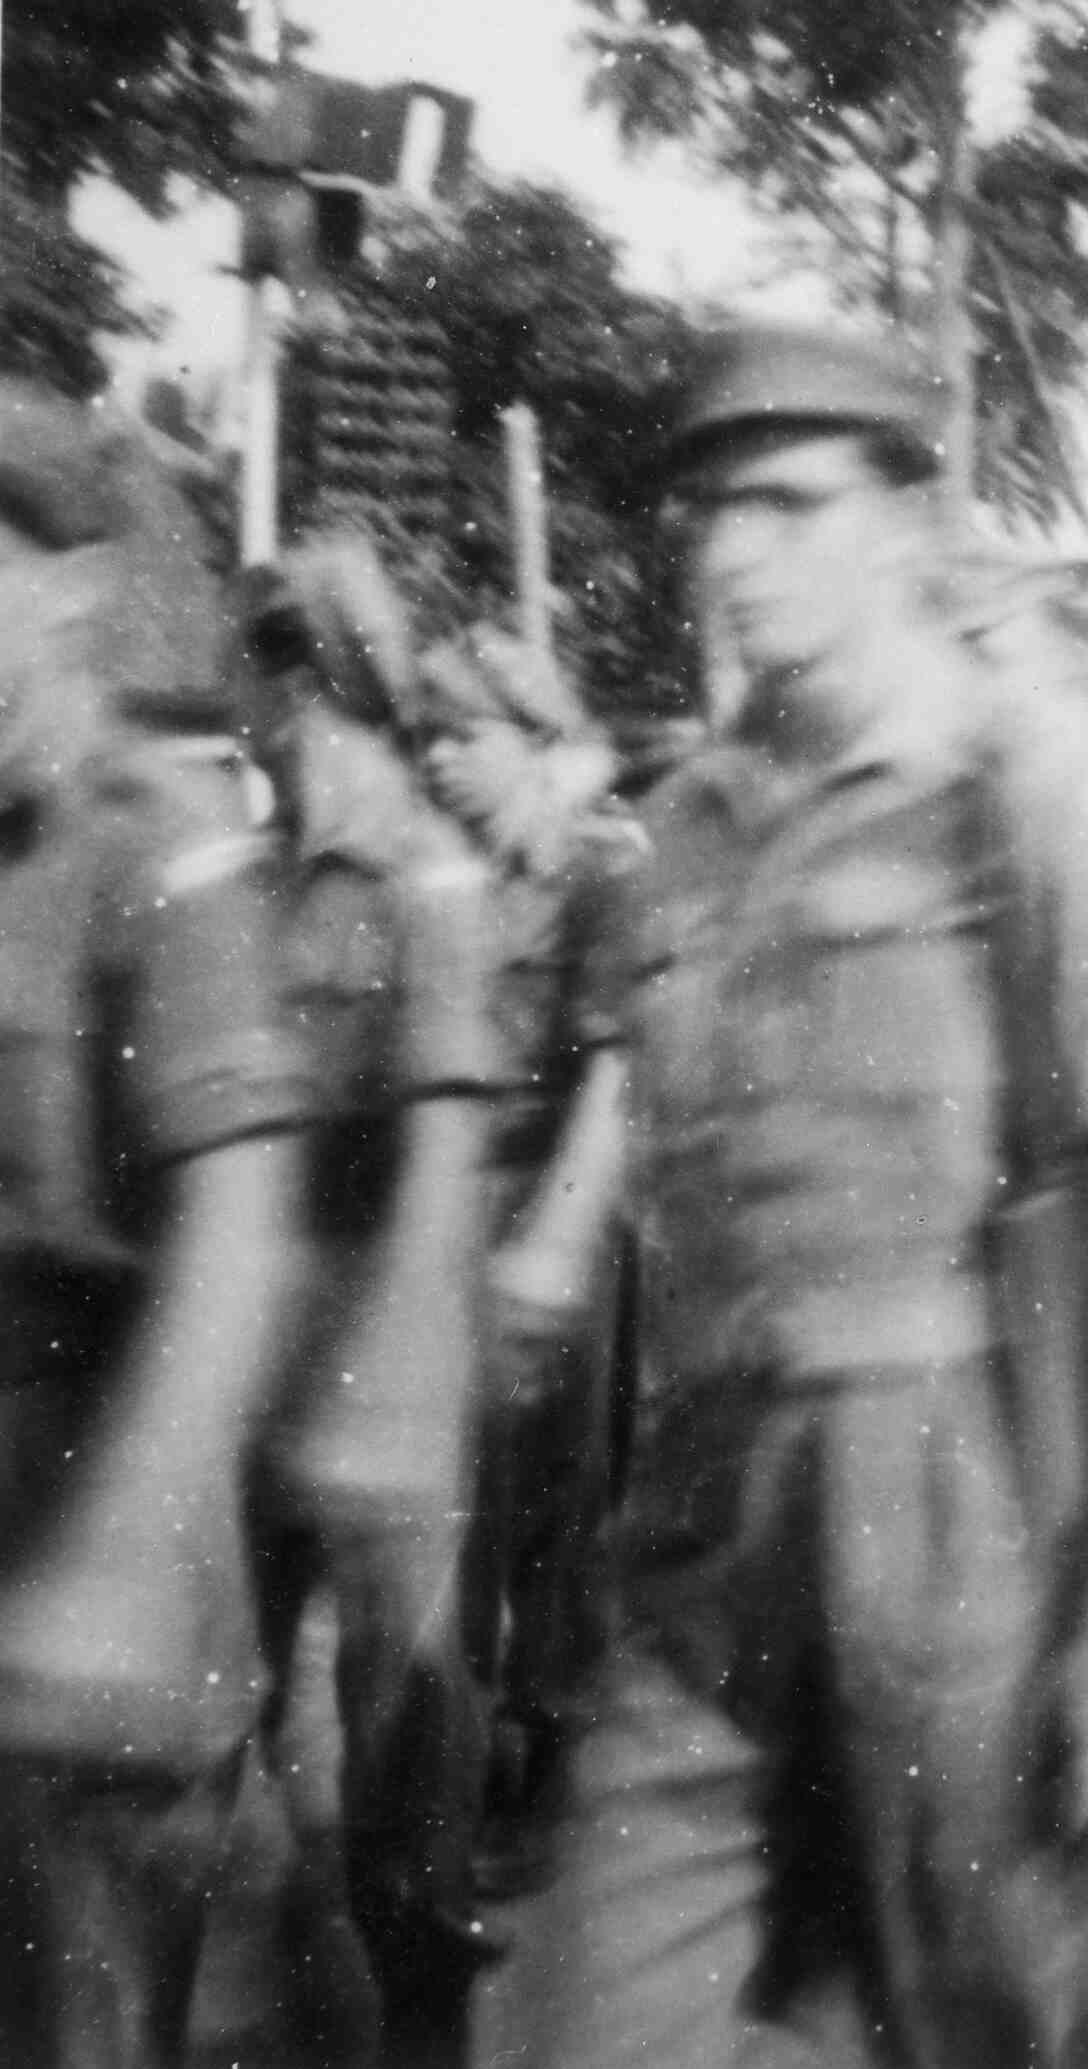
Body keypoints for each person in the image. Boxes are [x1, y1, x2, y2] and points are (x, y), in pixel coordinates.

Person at [529, 321, 1088, 2068]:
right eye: (710, 513)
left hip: (964, 1484)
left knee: (1010, 2013)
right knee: (585, 2006)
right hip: (715, 1481)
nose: (729, 553)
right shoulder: (695, 814)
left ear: (908, 523)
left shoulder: (1044, 787)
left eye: (785, 504)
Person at [0, 399, 311, 2069]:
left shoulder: (155, 849)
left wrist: (117, 1564)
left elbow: (241, 1229)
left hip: (97, 1509)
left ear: (69, 586)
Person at [233, 536, 507, 2069]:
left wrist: (384, 1387)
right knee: (234, 1699)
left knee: (403, 1714)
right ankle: (297, 1996)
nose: (245, 716)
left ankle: (423, 2020)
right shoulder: (259, 875)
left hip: (386, 1336)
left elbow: (445, 1148)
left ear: (299, 683)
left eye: (255, 679)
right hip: (266, 1336)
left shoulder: (428, 877)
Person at [414, 627, 648, 1883]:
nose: (439, 759)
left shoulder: (602, 867)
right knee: (462, 1507)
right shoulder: (439, 866)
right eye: (427, 736)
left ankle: (548, 1756)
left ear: (537, 737)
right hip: (451, 1209)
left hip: (561, 1207)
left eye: (465, 734)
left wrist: (554, 1242)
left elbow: (618, 1068)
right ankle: (464, 1757)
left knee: (558, 1501)